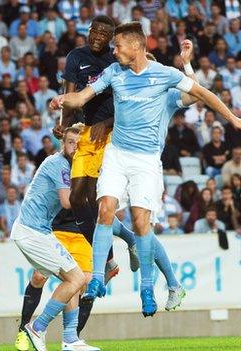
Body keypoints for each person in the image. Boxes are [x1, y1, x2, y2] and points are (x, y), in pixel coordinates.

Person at [50, 21, 241, 317]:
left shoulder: (165, 83)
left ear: (138, 48)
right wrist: (64, 99)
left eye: (118, 46)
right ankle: (98, 278)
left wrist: (232, 117)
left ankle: (152, 286)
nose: (114, 51)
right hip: (117, 154)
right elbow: (82, 96)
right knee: (105, 208)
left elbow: (198, 94)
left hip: (147, 162)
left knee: (142, 225)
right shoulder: (115, 72)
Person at [54, 15, 140, 282]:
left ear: (112, 39)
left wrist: (108, 121)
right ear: (89, 31)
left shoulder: (117, 61)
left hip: (115, 133)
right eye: (96, 32)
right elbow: (70, 94)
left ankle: (105, 260)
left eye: (106, 34)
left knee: (95, 198)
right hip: (88, 131)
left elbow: (130, 100)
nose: (99, 37)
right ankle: (121, 246)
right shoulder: (75, 57)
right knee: (77, 199)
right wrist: (64, 125)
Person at [11, 126, 92, 351]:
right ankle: (38, 327)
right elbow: (67, 202)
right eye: (70, 143)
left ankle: (69, 339)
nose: (74, 148)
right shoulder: (59, 164)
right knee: (76, 279)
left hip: (38, 230)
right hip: (32, 231)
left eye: (78, 144)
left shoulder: (67, 165)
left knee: (72, 279)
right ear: (62, 144)